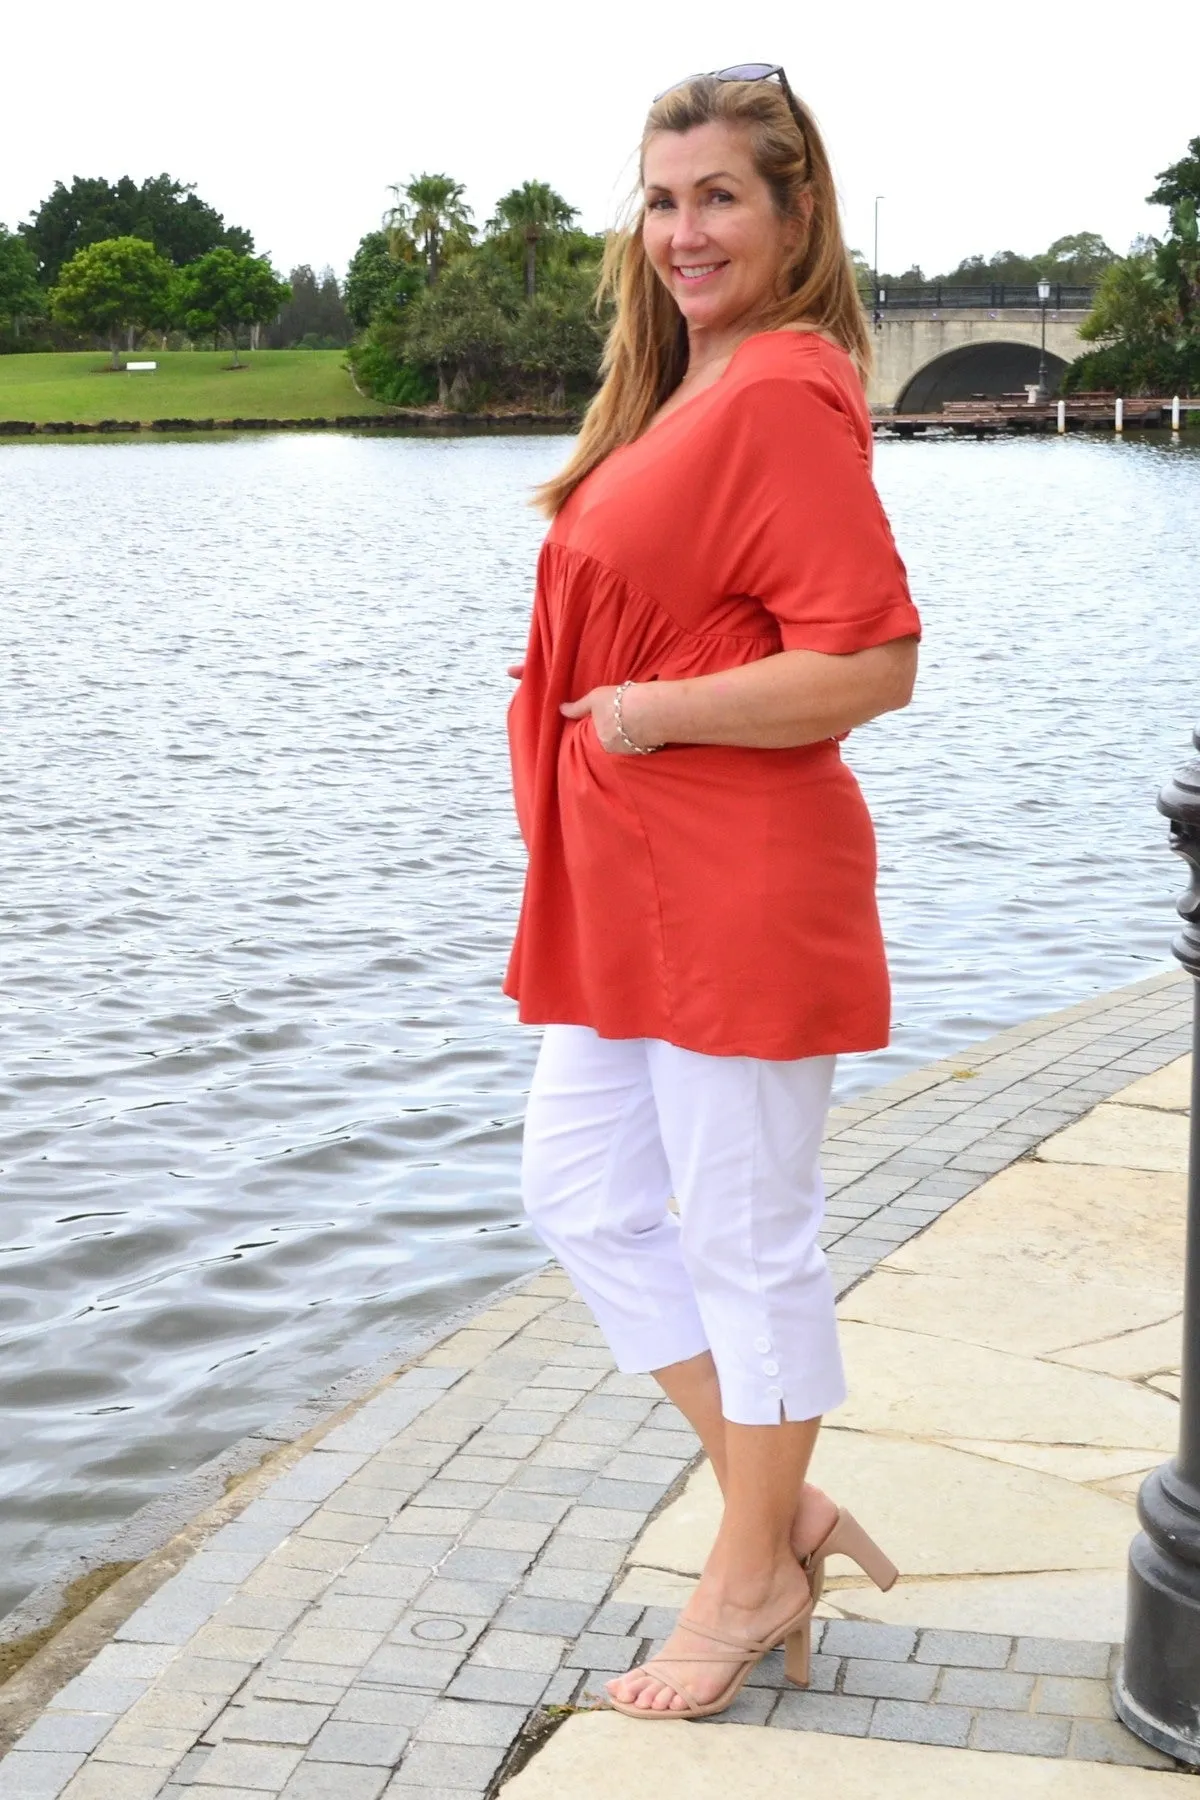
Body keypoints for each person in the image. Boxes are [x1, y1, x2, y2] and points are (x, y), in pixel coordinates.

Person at [504, 64, 921, 1721]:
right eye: (664, 198)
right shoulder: (684, 385)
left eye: (721, 197)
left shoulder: (783, 393)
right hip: (625, 888)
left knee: (750, 1242)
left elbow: (874, 658)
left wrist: (656, 713)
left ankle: (748, 1576)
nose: (684, 230)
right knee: (580, 1192)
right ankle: (782, 1510)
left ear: (797, 210)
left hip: (733, 878)